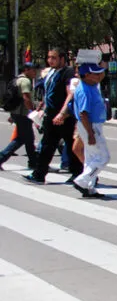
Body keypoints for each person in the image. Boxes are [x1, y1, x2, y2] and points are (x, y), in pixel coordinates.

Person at [26, 49, 84, 183]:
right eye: (49, 57)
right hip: (51, 115)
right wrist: (42, 108)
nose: (50, 60)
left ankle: (80, 173)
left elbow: (70, 94)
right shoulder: (51, 72)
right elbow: (48, 93)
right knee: (47, 145)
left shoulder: (68, 72)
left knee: (71, 145)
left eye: (54, 58)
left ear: (62, 59)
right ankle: (39, 174)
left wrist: (62, 113)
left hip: (64, 116)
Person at [70, 64, 109, 199]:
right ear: (87, 75)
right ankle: (82, 181)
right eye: (96, 74)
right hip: (91, 125)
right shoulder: (85, 90)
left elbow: (102, 75)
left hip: (90, 125)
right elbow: (83, 114)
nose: (99, 76)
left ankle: (89, 187)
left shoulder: (90, 85)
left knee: (91, 158)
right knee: (103, 158)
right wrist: (90, 134)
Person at [0, 64, 38, 171]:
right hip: (23, 114)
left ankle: (33, 162)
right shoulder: (25, 81)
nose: (35, 72)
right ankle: (1, 157)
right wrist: (32, 111)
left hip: (17, 113)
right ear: (26, 70)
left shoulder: (16, 79)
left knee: (27, 139)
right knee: (24, 138)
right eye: (33, 70)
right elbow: (26, 98)